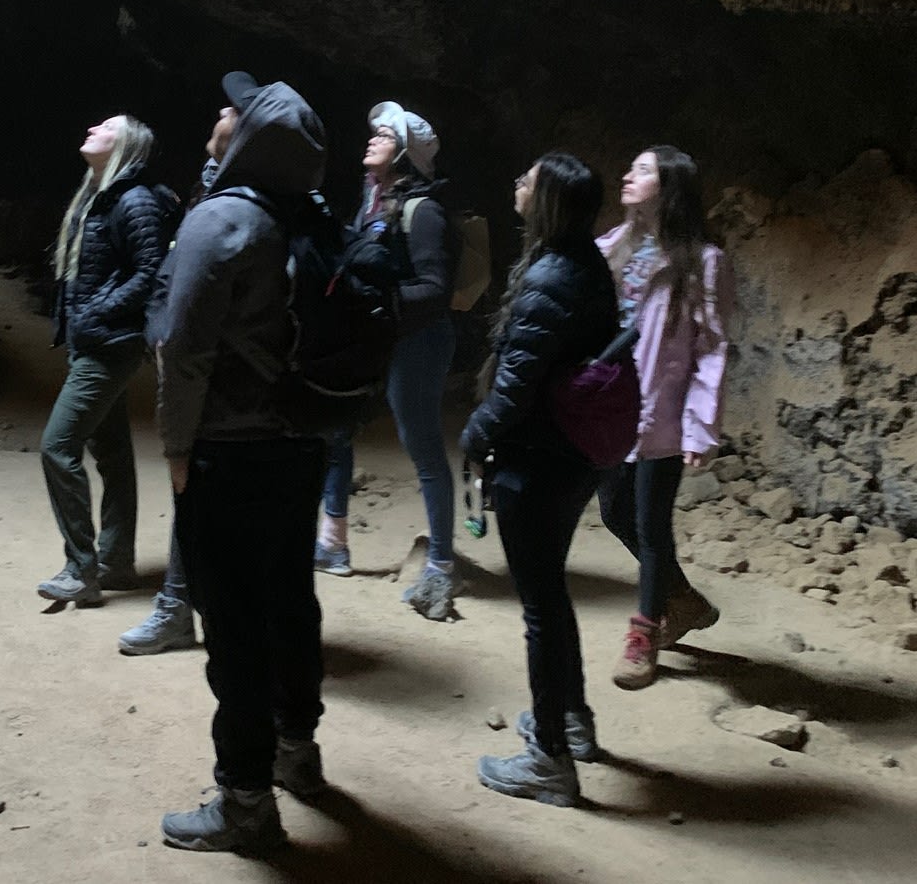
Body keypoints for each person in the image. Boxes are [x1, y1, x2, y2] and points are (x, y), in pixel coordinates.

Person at [155, 77, 329, 855]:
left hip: (229, 451)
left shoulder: (218, 220)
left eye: (231, 112)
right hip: (301, 443)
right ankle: (297, 749)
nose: (218, 114)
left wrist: (175, 448)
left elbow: (183, 351)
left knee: (234, 627)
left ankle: (245, 800)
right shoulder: (314, 217)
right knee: (290, 603)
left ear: (251, 139)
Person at [460, 152, 617, 809]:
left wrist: (474, 437)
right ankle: (571, 722)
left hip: (539, 459)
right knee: (550, 598)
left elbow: (517, 383)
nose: (516, 185)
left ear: (546, 199)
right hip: (570, 454)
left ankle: (548, 757)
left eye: (526, 180)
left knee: (540, 610)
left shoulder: (551, 274)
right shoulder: (582, 263)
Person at [118, 78, 248, 658]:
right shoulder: (207, 194)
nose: (222, 108)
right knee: (193, 491)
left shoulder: (244, 207)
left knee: (201, 489)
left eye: (235, 110)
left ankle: (191, 609)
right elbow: (168, 279)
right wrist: (158, 329)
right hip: (197, 371)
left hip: (229, 383)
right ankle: (181, 605)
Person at [315, 103, 460, 622]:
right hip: (378, 336)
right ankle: (332, 543)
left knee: (422, 447)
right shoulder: (372, 203)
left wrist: (384, 300)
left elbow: (435, 289)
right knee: (335, 430)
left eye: (384, 134)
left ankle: (441, 561)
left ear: (404, 153)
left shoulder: (424, 211)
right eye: (374, 131)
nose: (372, 138)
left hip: (418, 342)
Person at [596, 146, 734, 687]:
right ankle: (682, 599)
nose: (627, 174)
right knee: (612, 511)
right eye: (629, 166)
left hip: (665, 414)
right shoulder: (615, 245)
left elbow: (712, 349)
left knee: (652, 524)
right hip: (612, 405)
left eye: (643, 169)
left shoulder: (703, 262)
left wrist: (701, 425)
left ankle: (642, 634)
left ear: (670, 187)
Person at [37, 114, 172, 607]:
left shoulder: (133, 199)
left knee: (58, 446)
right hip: (92, 340)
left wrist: (96, 313)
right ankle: (116, 561)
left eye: (106, 126)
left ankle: (81, 569)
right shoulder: (97, 195)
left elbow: (150, 271)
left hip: (109, 346)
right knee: (112, 455)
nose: (91, 126)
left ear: (127, 144)